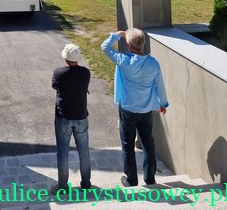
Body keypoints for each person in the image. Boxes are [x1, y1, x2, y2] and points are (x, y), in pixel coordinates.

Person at [101, 28, 169, 188]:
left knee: (127, 144)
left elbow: (105, 47)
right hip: (146, 110)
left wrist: (118, 35)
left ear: (129, 46)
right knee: (148, 144)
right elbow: (160, 85)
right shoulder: (153, 63)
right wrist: (163, 103)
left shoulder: (123, 60)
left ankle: (131, 179)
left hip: (128, 110)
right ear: (143, 44)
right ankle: (150, 178)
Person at [51, 43, 92, 193]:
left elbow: (54, 86)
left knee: (63, 153)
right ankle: (86, 183)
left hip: (63, 117)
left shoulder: (58, 72)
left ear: (65, 57)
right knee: (84, 151)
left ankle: (62, 186)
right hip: (81, 117)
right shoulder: (85, 73)